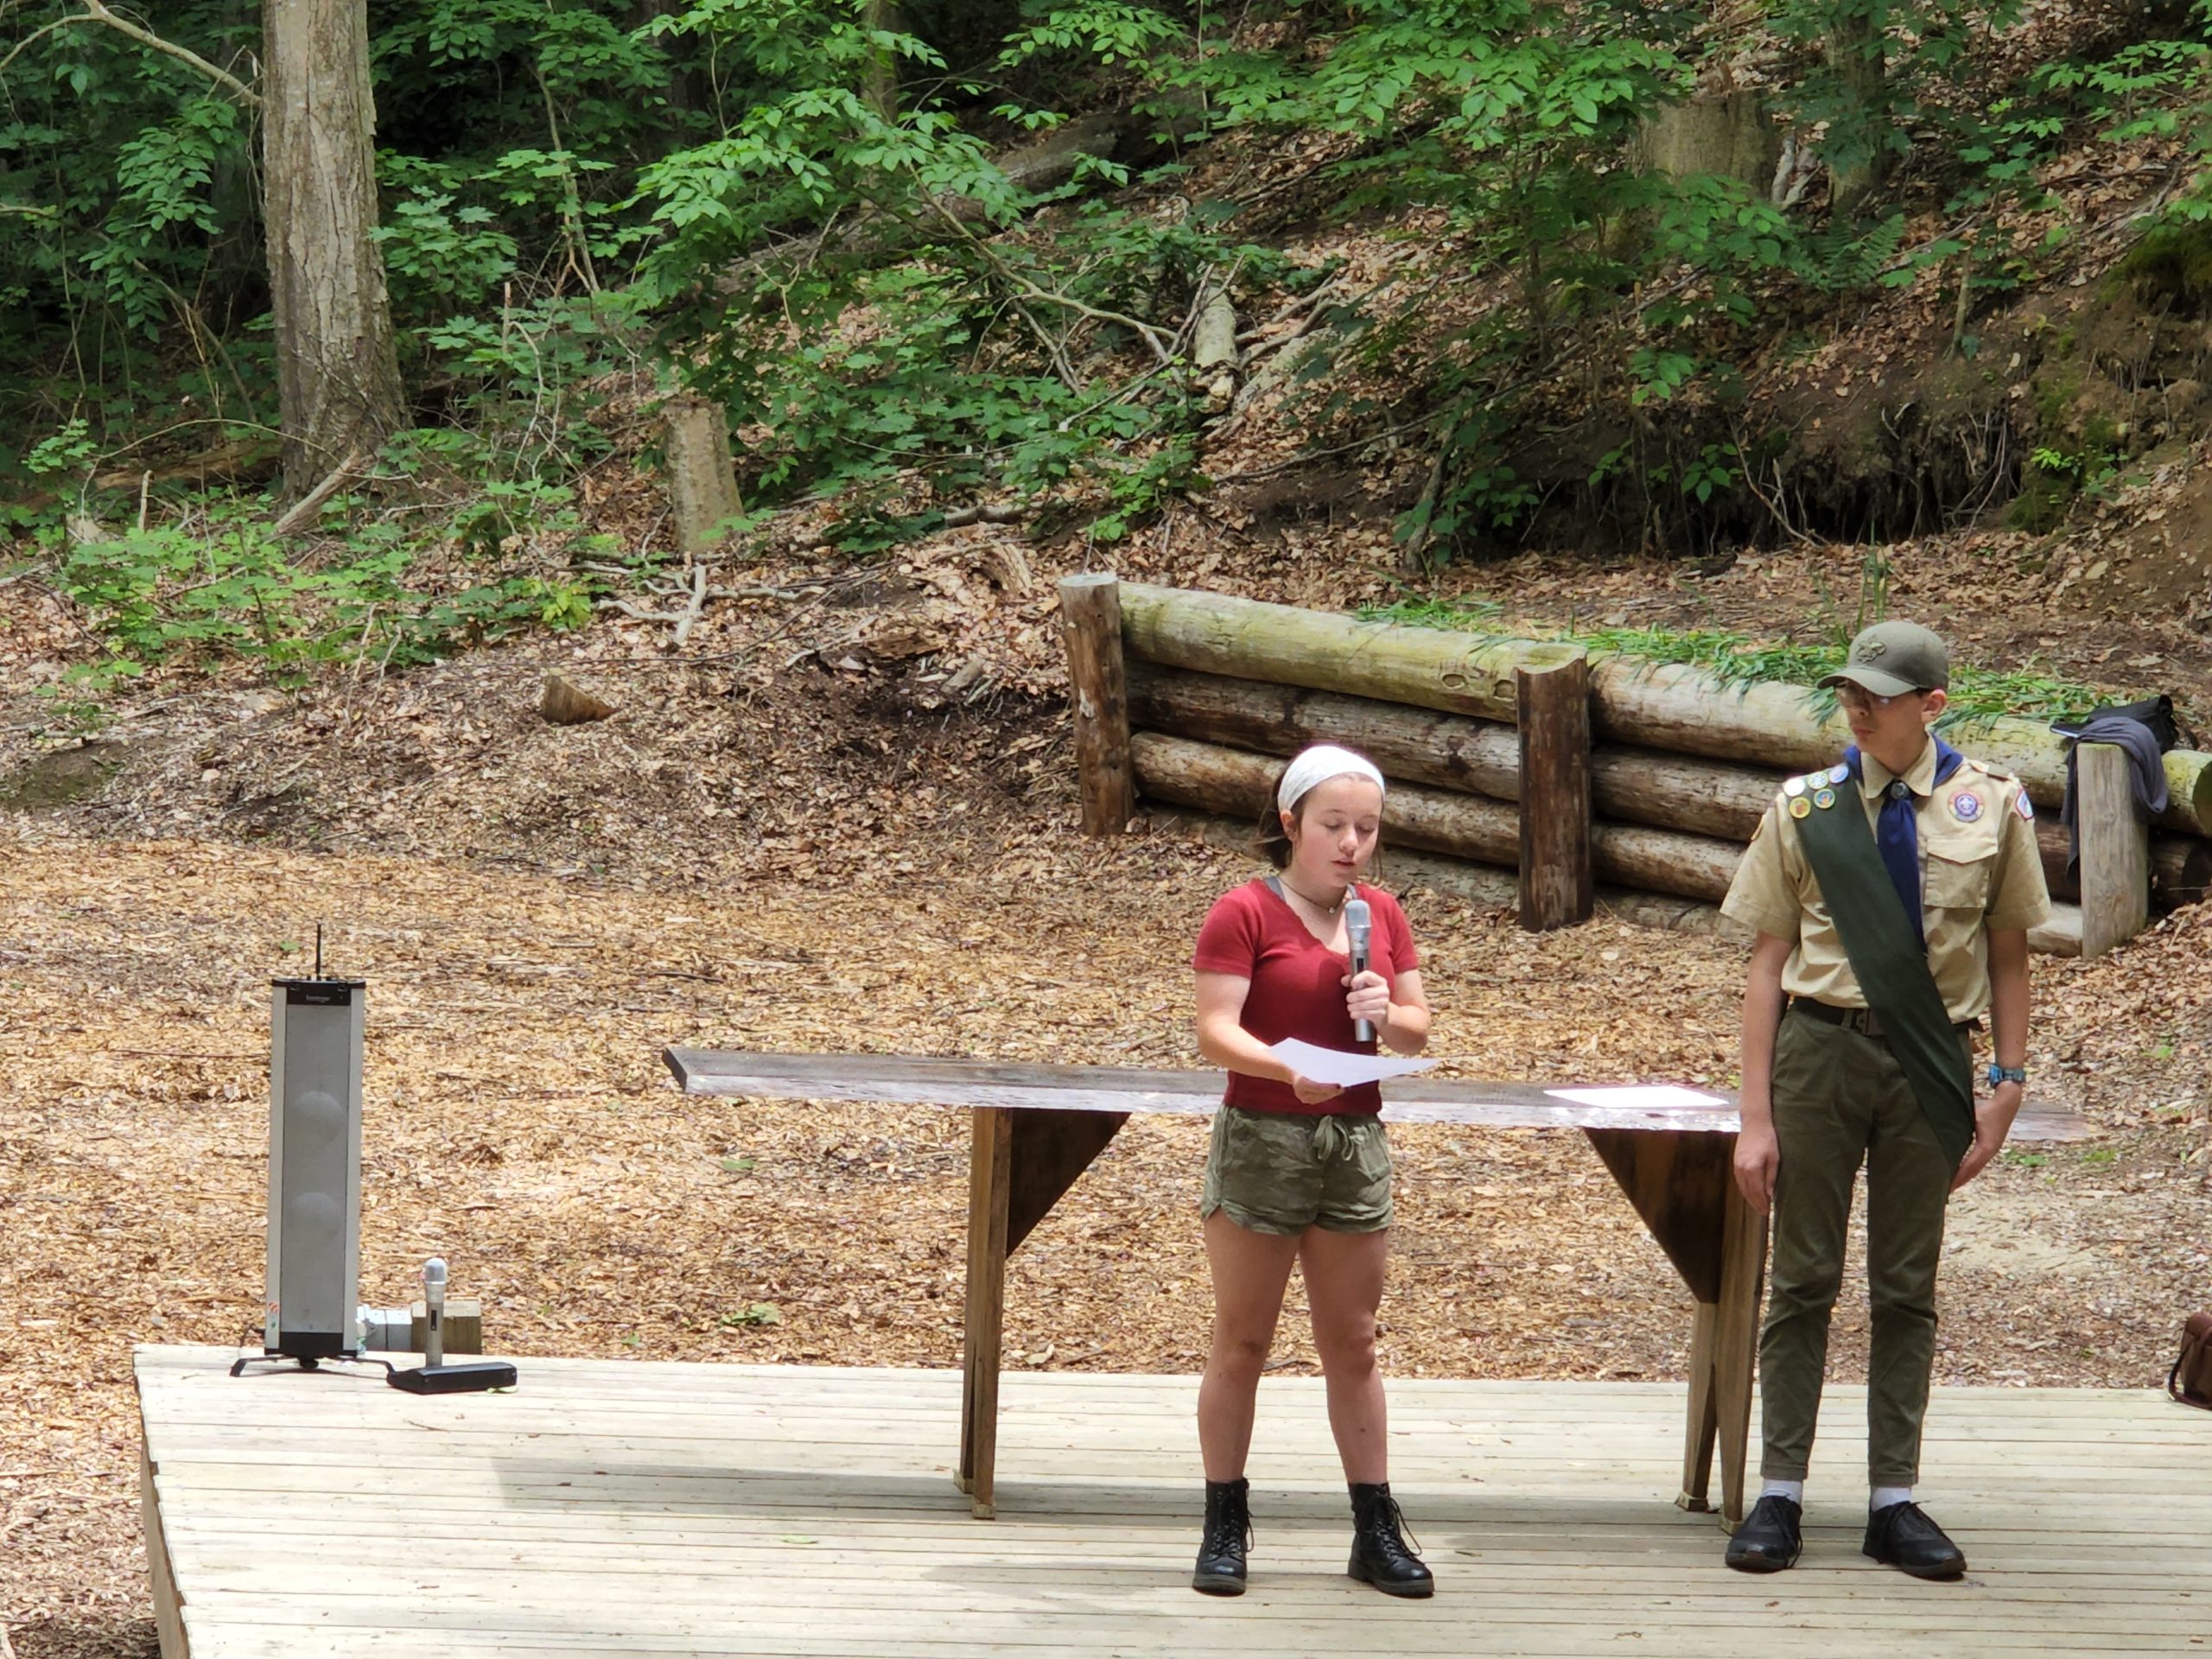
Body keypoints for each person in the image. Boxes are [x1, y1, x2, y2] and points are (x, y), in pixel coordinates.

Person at [1718, 621, 2050, 1580]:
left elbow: (2009, 954)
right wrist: (1753, 1117)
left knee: (1907, 1287)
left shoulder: (1990, 805)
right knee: (1801, 1280)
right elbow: (1766, 964)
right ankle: (1778, 1493)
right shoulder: (1806, 809)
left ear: (1932, 705)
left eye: (1877, 697)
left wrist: (2008, 1083)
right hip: (1817, 1055)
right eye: (1849, 695)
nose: (1856, 711)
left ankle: (1890, 1500)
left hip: (1930, 1067)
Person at [1187, 742, 1434, 1599]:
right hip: (1264, 1134)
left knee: (1354, 1341)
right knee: (1243, 1339)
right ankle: (1224, 1523)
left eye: (1366, 828)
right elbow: (1214, 1029)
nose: (1351, 843)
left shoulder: (1381, 916)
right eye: (1333, 824)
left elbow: (1415, 1030)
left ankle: (1374, 1528)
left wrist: (1386, 1013)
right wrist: (1281, 1068)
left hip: (1353, 1144)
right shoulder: (1243, 913)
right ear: (1290, 822)